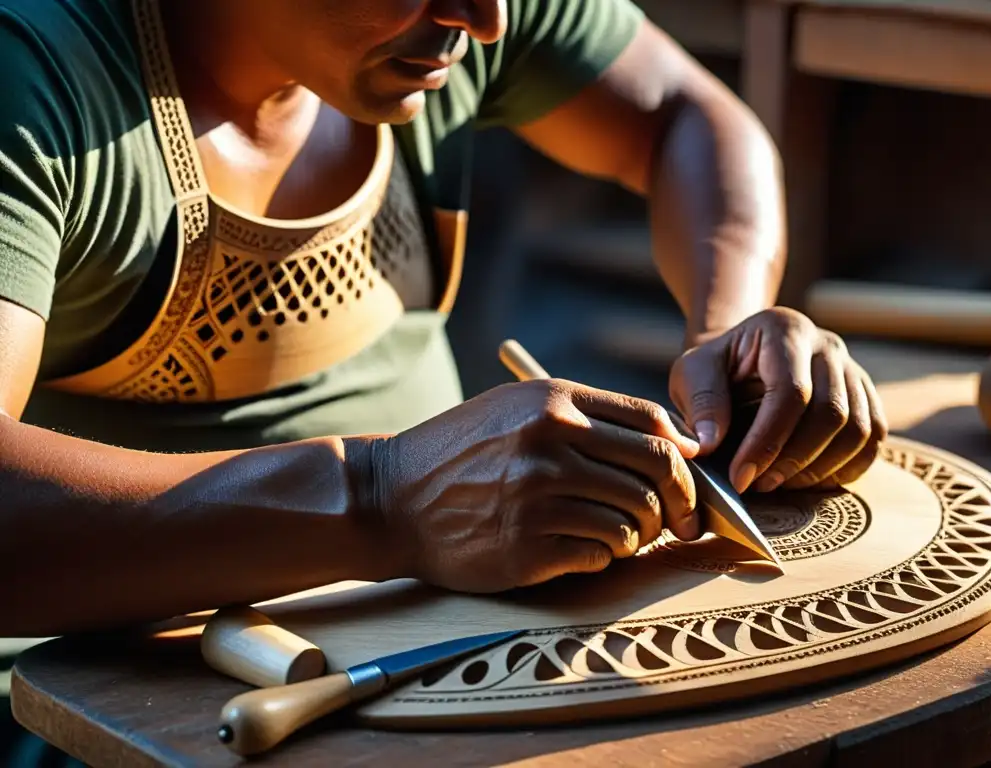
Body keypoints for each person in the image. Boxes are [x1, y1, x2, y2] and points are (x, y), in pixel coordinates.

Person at [0, 0, 887, 759]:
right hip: (108, 702)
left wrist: (727, 323)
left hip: (440, 639)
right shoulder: (32, 75)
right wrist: (379, 497)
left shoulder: (435, 23)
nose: (488, 20)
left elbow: (684, 113)